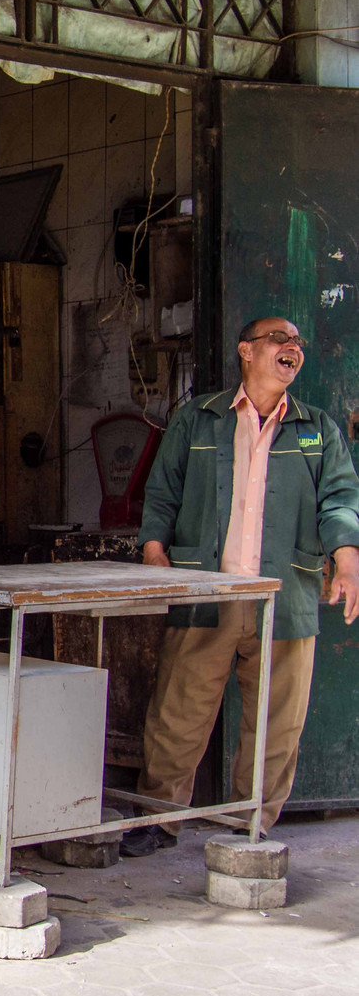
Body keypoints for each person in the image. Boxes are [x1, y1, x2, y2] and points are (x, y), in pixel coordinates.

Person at [126, 316, 359, 856]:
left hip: (286, 595)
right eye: (280, 339)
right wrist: (154, 549)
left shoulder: (316, 429)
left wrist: (346, 562)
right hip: (208, 590)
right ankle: (159, 820)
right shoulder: (199, 419)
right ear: (246, 352)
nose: (292, 348)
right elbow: (162, 491)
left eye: (298, 342)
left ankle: (248, 827)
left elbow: (340, 501)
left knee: (277, 721)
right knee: (178, 711)